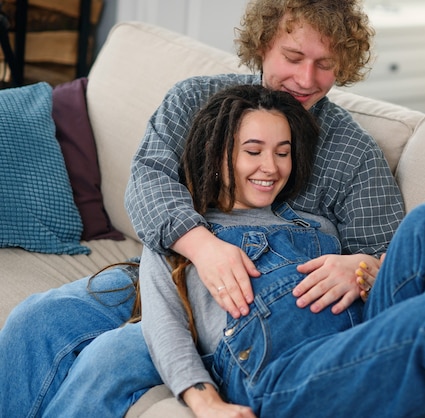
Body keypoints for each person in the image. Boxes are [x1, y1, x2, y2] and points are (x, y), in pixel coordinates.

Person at [0, 1, 404, 416]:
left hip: (250, 311)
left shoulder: (352, 153)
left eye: (325, 64)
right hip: (170, 273)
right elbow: (148, 183)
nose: (305, 79)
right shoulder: (195, 100)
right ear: (263, 44)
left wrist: (361, 268)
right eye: (293, 57)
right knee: (36, 320)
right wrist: (205, 249)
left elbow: (394, 255)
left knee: (112, 359)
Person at [140, 85, 425, 418]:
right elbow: (165, 332)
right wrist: (207, 405)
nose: (270, 167)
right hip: (280, 375)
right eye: (252, 151)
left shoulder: (314, 223)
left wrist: (367, 265)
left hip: (362, 343)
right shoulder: (181, 241)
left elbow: (381, 284)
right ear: (218, 156)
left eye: (282, 152)